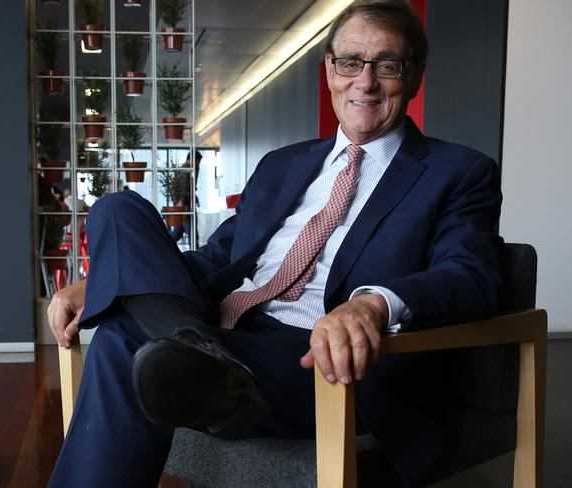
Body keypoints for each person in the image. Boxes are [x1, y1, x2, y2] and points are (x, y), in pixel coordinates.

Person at [46, 1, 503, 486]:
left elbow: (472, 274)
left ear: (414, 75)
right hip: (227, 332)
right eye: (350, 62)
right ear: (329, 69)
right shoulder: (282, 165)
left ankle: (191, 355)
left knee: (119, 341)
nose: (365, 81)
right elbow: (218, 259)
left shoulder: (458, 171)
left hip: (317, 359)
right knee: (116, 207)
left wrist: (374, 305)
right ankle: (192, 349)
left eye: (387, 65)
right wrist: (114, 282)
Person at [169, 150, 203, 246]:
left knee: (179, 232)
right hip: (184, 204)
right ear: (192, 159)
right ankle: (196, 254)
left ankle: (164, 245)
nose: (198, 164)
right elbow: (184, 188)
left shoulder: (190, 170)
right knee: (191, 232)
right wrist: (182, 202)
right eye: (198, 161)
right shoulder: (185, 170)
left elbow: (190, 188)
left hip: (186, 203)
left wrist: (195, 198)